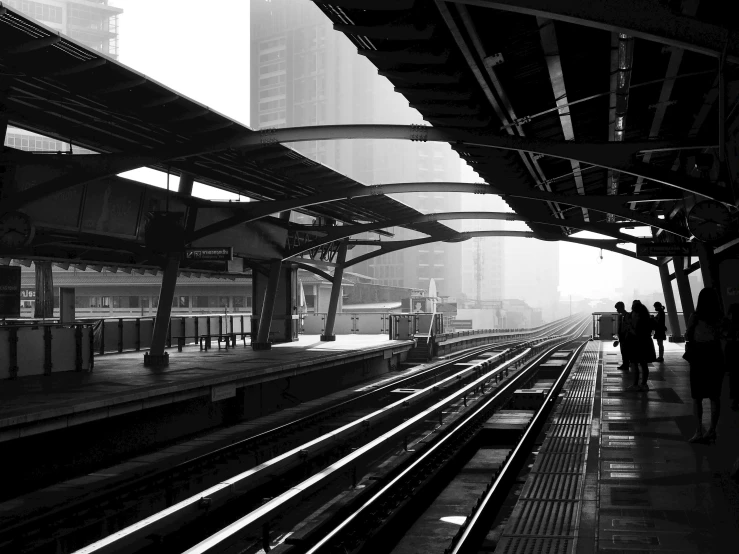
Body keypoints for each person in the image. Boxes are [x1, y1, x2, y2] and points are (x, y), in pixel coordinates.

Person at [684, 287, 724, 443]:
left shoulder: (695, 316)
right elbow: (724, 334)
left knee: (697, 396)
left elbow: (688, 335)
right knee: (715, 396)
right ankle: (712, 430)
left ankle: (699, 430)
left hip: (699, 357)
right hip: (715, 355)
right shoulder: (720, 318)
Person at [626, 300, 656, 392]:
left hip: (636, 343)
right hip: (646, 343)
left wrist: (630, 327)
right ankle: (644, 384)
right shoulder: (647, 318)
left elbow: (636, 333)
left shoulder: (638, 321)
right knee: (644, 364)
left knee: (634, 364)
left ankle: (635, 384)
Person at [723, 303, 739, 411]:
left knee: (733, 377)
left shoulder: (728, 323)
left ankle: (735, 400)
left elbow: (723, 334)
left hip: (732, 352)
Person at [614, 302, 631, 371]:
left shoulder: (626, 316)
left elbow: (626, 327)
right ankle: (625, 364)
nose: (617, 310)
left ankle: (626, 364)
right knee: (623, 351)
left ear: (621, 307)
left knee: (625, 351)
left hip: (625, 336)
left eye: (617, 308)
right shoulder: (622, 316)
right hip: (622, 336)